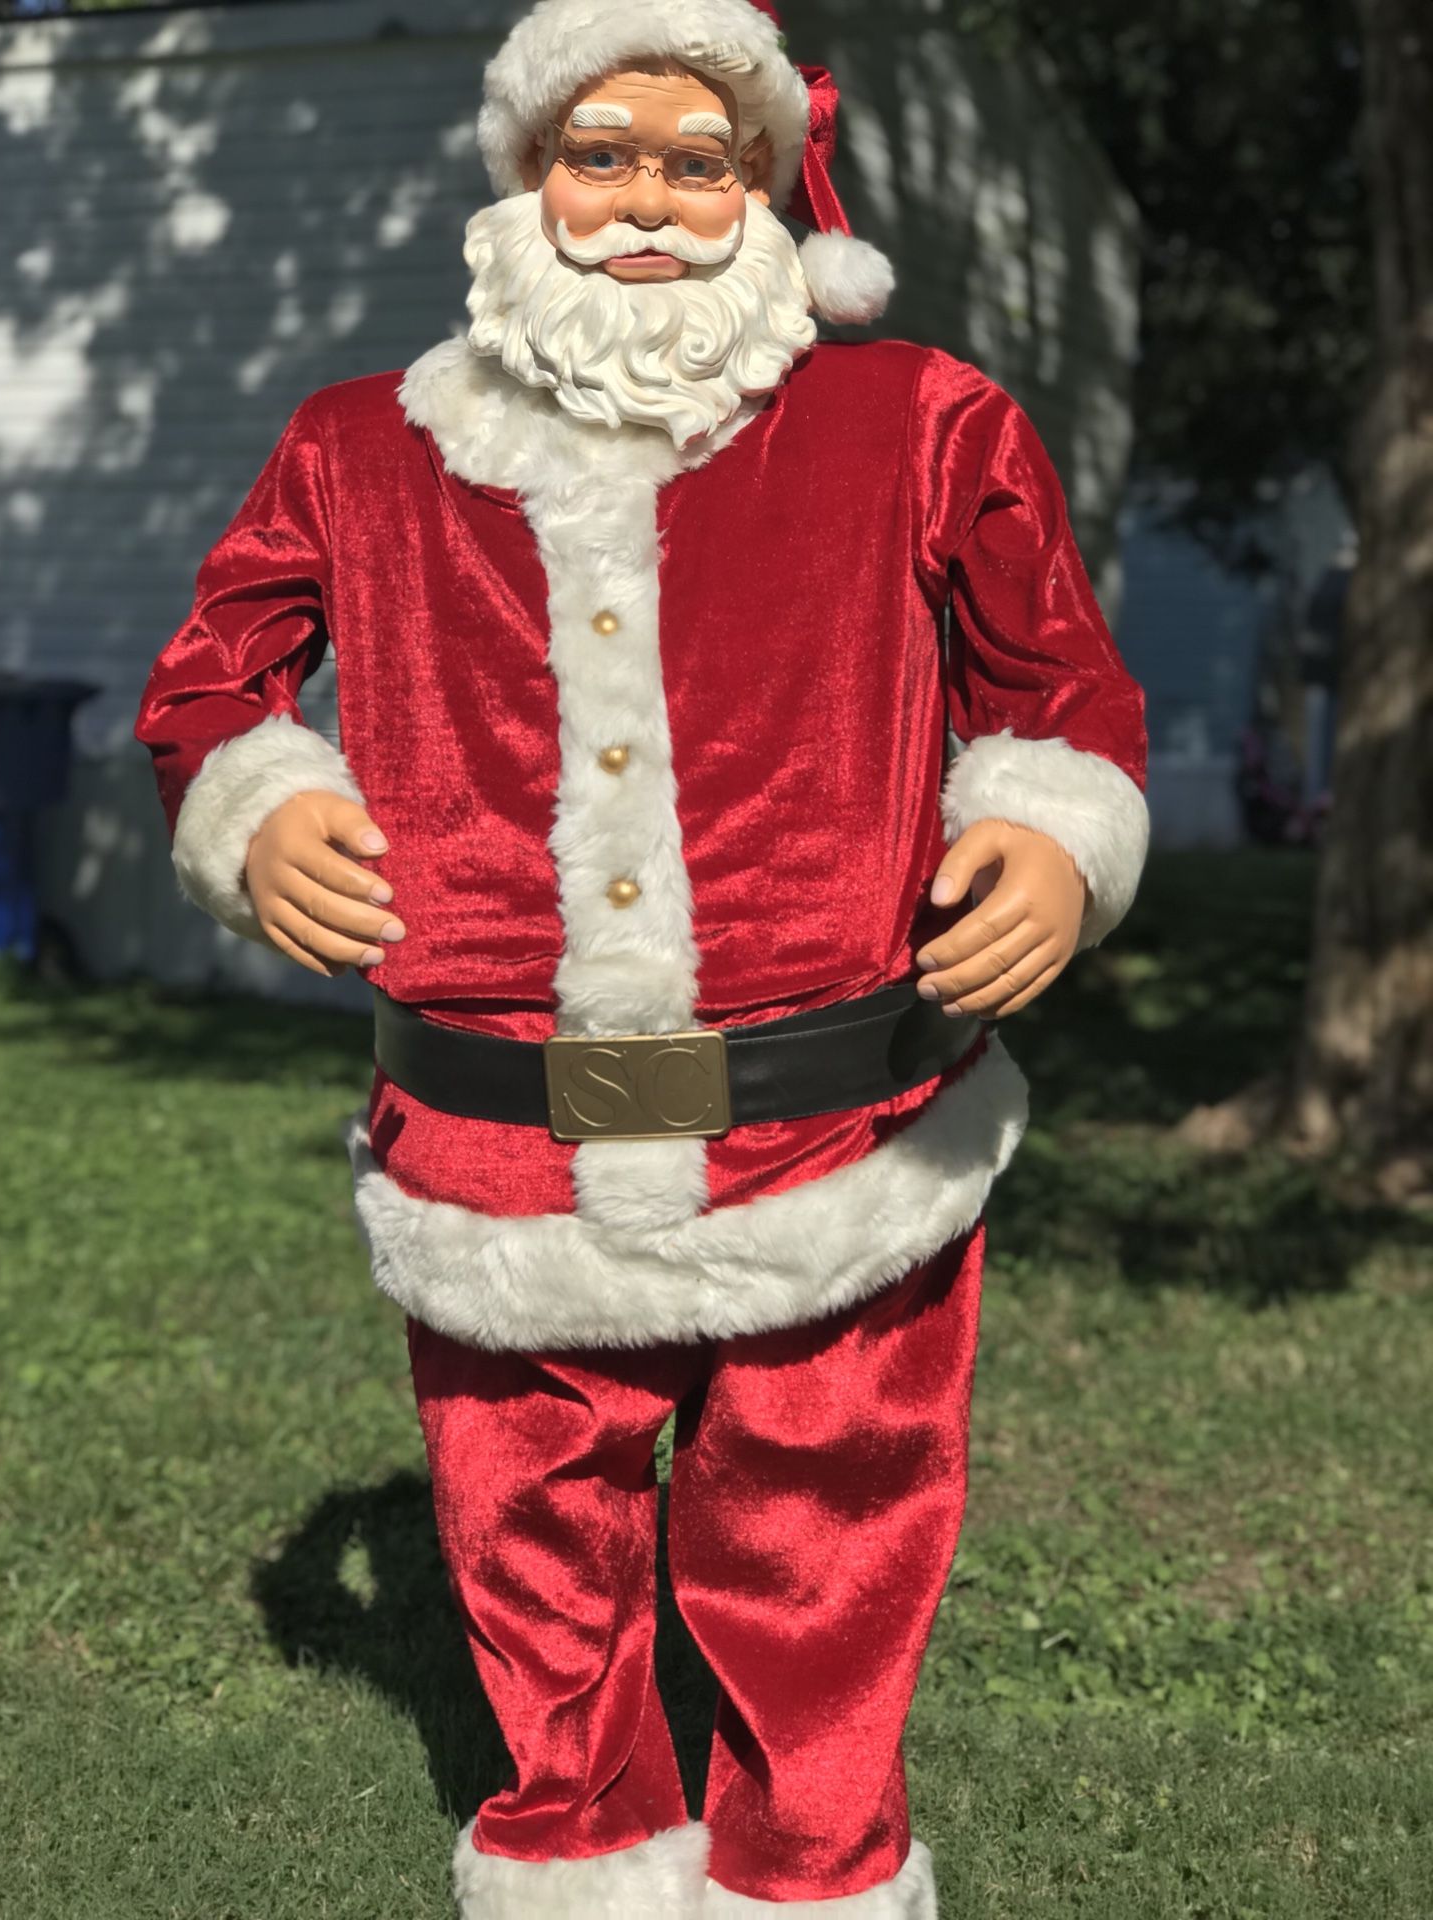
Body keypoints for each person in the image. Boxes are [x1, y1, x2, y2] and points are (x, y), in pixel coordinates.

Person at [133, 2, 1149, 1911]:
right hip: (494, 1139)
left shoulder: (921, 420)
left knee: (826, 1539)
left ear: (771, 187)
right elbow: (213, 682)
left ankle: (814, 1869)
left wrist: (1048, 827)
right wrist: (257, 799)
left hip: (840, 1139)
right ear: (529, 171)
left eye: (705, 163)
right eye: (606, 154)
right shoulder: (360, 447)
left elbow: (1059, 681)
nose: (653, 206)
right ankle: (577, 1846)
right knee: (532, 1540)